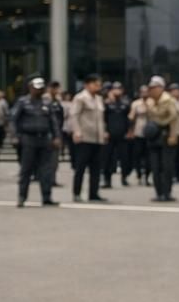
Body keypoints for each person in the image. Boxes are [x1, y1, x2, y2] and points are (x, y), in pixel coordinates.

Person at [12, 77, 62, 207]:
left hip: (44, 138)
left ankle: (47, 197)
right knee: (26, 169)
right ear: (30, 88)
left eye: (41, 88)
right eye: (36, 88)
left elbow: (53, 122)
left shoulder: (47, 103)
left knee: (46, 169)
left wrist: (56, 137)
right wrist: (15, 136)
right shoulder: (23, 102)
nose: (39, 90)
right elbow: (14, 120)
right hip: (28, 138)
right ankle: (22, 197)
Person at [69, 73, 108, 203]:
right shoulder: (80, 98)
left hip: (97, 138)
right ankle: (77, 193)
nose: (98, 86)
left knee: (96, 168)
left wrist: (104, 132)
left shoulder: (99, 99)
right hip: (84, 137)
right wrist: (77, 131)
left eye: (99, 84)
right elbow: (74, 115)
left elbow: (101, 119)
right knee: (80, 167)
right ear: (87, 85)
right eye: (95, 84)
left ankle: (94, 193)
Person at [144, 76, 178, 203]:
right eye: (150, 88)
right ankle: (158, 192)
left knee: (166, 166)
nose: (152, 90)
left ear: (161, 88)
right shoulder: (149, 101)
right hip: (154, 134)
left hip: (166, 133)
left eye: (154, 88)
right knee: (155, 166)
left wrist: (173, 135)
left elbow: (174, 118)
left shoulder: (168, 100)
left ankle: (166, 193)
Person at [103, 81, 132, 188]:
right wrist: (104, 131)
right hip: (110, 134)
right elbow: (103, 119)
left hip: (122, 134)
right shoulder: (107, 103)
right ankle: (107, 179)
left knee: (125, 157)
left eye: (119, 89)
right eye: (115, 89)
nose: (117, 91)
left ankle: (124, 177)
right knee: (108, 157)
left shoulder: (126, 103)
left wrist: (129, 131)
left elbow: (129, 119)